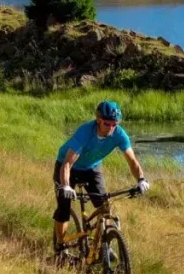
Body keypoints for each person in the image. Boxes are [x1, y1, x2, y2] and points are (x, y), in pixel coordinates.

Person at [53, 100, 149, 251]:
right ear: (98, 120)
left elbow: (132, 161)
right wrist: (65, 185)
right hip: (68, 167)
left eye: (114, 124)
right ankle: (60, 244)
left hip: (92, 167)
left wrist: (141, 180)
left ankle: (106, 248)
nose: (111, 128)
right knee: (64, 207)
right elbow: (67, 164)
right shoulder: (85, 132)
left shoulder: (119, 134)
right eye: (107, 123)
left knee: (104, 207)